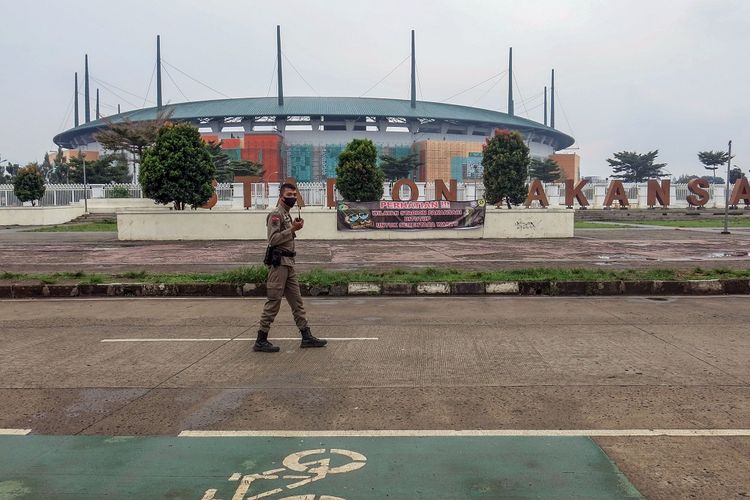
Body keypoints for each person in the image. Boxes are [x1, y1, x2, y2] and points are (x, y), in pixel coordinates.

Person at [254, 183, 327, 353]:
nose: (293, 197)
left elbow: (285, 236)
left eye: (294, 194)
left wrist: (293, 228)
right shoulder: (276, 215)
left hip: (289, 264)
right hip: (279, 265)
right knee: (274, 302)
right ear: (281, 196)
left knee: (297, 302)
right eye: (289, 194)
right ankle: (261, 339)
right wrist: (293, 229)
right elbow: (273, 240)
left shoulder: (286, 215)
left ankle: (306, 336)